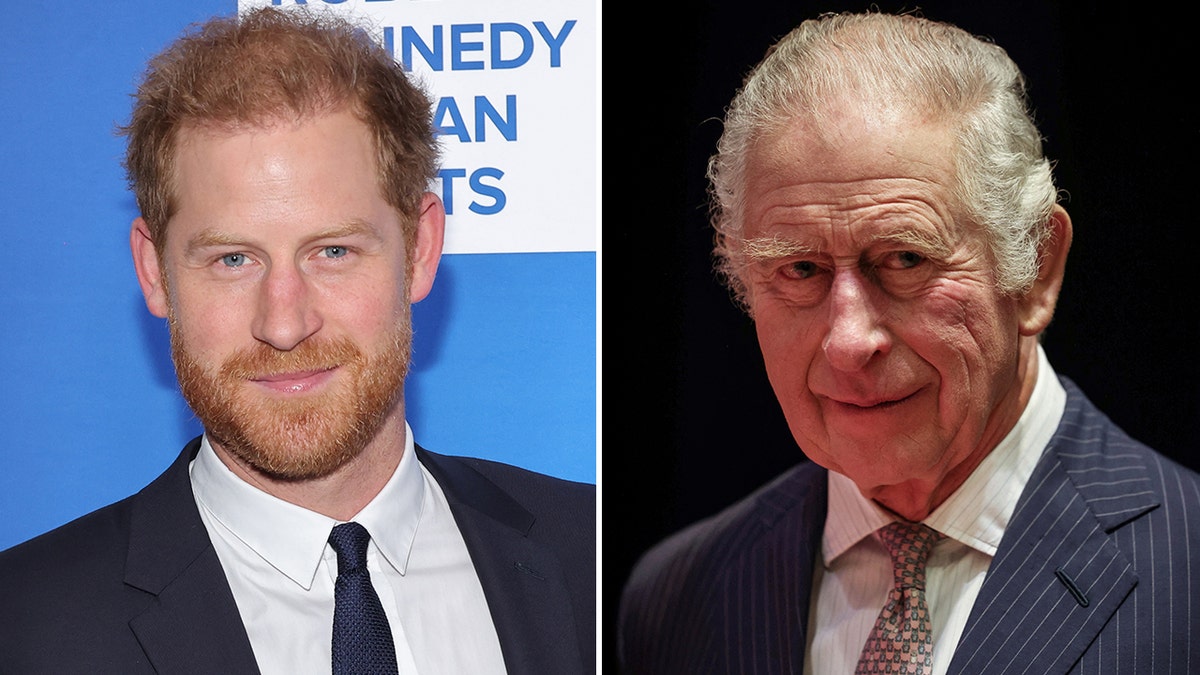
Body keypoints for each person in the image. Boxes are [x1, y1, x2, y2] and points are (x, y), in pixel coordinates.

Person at [0, 7, 594, 674]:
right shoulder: (23, 625)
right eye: (232, 259)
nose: (283, 324)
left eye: (333, 250)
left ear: (422, 247)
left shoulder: (595, 555)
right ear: (153, 271)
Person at [619, 11, 1200, 675]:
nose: (848, 340)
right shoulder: (673, 601)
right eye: (800, 270)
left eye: (904, 260)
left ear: (1036, 267)